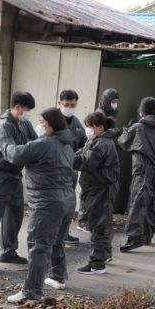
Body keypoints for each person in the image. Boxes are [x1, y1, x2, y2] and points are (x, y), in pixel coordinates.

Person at [1, 108, 75, 302]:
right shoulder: (66, 144)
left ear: (51, 125)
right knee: (57, 240)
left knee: (38, 245)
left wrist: (4, 141)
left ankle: (31, 291)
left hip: (48, 202)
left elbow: (15, 155)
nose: (39, 125)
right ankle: (58, 276)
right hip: (67, 200)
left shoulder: (44, 144)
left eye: (42, 122)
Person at [0, 91, 37, 274]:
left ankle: (8, 251)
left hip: (14, 175)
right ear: (18, 107)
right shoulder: (3, 126)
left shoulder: (24, 124)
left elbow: (37, 143)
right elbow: (11, 153)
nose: (29, 113)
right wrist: (30, 152)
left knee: (15, 215)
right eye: (27, 109)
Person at [74, 112, 120, 274]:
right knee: (102, 223)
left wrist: (64, 159)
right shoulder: (96, 140)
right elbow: (81, 153)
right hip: (96, 188)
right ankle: (104, 255)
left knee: (98, 226)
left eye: (89, 127)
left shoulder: (102, 144)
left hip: (100, 189)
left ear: (100, 127)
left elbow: (87, 162)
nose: (87, 130)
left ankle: (97, 264)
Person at [118, 97, 155, 252]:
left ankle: (134, 237)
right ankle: (147, 236)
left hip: (143, 169)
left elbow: (123, 142)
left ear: (141, 111)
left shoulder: (138, 127)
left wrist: (125, 129)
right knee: (153, 202)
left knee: (138, 202)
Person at [57, 90, 87, 245]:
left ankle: (64, 233)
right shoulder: (51, 121)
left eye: (73, 105)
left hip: (71, 172)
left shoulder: (76, 123)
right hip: (54, 173)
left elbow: (83, 143)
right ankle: (54, 236)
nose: (69, 108)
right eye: (66, 105)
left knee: (68, 205)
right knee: (56, 205)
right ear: (59, 104)